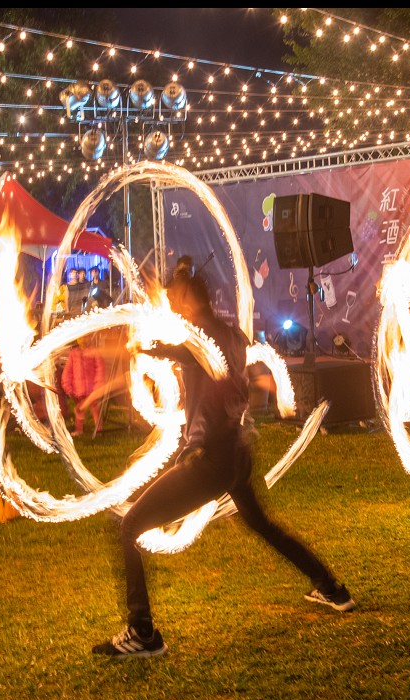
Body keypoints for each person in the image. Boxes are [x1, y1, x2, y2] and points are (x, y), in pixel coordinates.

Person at [92, 272, 355, 659]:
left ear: (185, 297)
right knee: (263, 526)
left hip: (210, 460)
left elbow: (172, 350)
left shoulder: (198, 341)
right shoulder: (232, 334)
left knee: (129, 525)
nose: (172, 307)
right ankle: (331, 587)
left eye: (174, 298)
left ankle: (143, 631)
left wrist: (135, 346)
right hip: (237, 451)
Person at [61, 335, 106, 437]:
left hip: (92, 389)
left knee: (95, 410)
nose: (84, 340)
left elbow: (100, 369)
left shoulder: (94, 352)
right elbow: (68, 371)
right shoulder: (73, 354)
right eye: (81, 338)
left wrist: (98, 385)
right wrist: (68, 386)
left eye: (86, 337)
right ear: (78, 339)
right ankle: (79, 429)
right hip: (79, 389)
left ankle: (99, 429)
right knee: (79, 409)